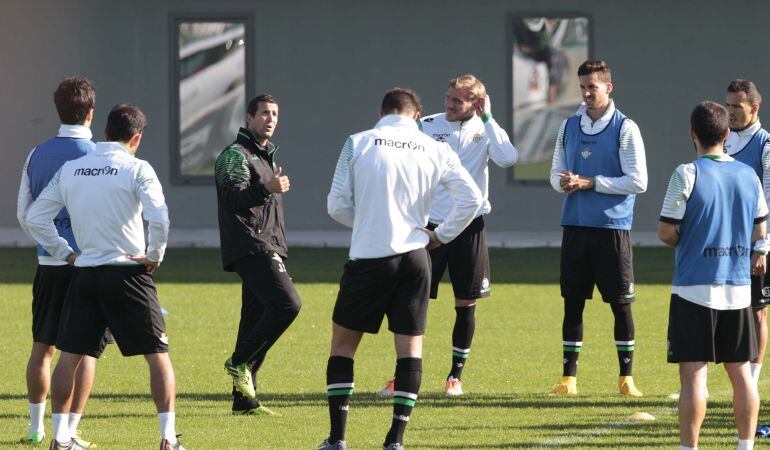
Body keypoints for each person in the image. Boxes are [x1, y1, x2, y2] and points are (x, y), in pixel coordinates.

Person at [318, 87, 482, 450]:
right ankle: (395, 440)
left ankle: (337, 438)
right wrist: (442, 234)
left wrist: (369, 224)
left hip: (369, 256)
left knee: (343, 346)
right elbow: (473, 199)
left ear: (382, 113)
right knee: (410, 350)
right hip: (415, 257)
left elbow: (335, 205)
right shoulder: (435, 148)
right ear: (416, 114)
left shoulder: (358, 142)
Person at [25, 104, 183, 450]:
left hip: (85, 274)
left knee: (69, 356)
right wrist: (154, 256)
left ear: (106, 132)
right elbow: (159, 217)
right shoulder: (138, 168)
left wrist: (64, 252)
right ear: (136, 138)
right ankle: (168, 439)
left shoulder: (71, 170)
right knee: (157, 354)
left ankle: (59, 438)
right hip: (128, 273)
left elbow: (36, 217)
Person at [378, 74, 518, 398]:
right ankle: (403, 375)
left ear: (476, 103)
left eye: (458, 100)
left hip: (469, 226)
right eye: (448, 97)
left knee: (465, 303)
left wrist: (489, 117)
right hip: (428, 228)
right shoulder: (427, 124)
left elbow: (508, 158)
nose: (450, 104)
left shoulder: (486, 131)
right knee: (412, 301)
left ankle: (454, 377)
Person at [660, 100, 768, 450]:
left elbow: (666, 231)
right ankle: (746, 445)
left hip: (693, 288)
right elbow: (760, 230)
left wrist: (687, 239)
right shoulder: (748, 175)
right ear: (726, 134)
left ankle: (690, 447)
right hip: (737, 289)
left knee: (693, 373)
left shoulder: (686, 173)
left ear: (693, 134)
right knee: (741, 372)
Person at [549, 60, 648, 397]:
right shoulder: (568, 126)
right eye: (583, 87)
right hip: (575, 226)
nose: (587, 93)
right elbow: (555, 172)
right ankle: (568, 378)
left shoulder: (625, 128)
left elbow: (638, 181)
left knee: (621, 304)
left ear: (609, 87)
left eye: (593, 87)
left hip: (612, 229)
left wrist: (590, 183)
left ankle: (626, 378)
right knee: (572, 302)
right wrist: (562, 184)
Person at [15, 76, 102, 447]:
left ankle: (36, 429)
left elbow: (25, 213)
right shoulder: (100, 156)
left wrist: (52, 247)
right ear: (91, 112)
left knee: (42, 348)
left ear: (58, 110)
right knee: (82, 353)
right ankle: (69, 432)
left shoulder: (37, 153)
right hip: (89, 265)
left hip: (49, 265)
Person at [214, 94, 301, 415]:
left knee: (253, 320)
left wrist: (270, 185)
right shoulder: (235, 155)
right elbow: (233, 198)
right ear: (249, 119)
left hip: (268, 244)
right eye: (264, 113)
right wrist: (268, 187)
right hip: (251, 245)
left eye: (275, 114)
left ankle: (244, 401)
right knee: (287, 305)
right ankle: (238, 363)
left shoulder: (265, 157)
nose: (271, 119)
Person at [724, 79, 770, 391]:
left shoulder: (765, 145)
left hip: (754, 245)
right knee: (726, 310)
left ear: (754, 108)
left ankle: (750, 383)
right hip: (724, 243)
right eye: (727, 105)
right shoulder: (723, 141)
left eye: (736, 106)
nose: (729, 112)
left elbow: (768, 196)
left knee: (757, 313)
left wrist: (763, 246)